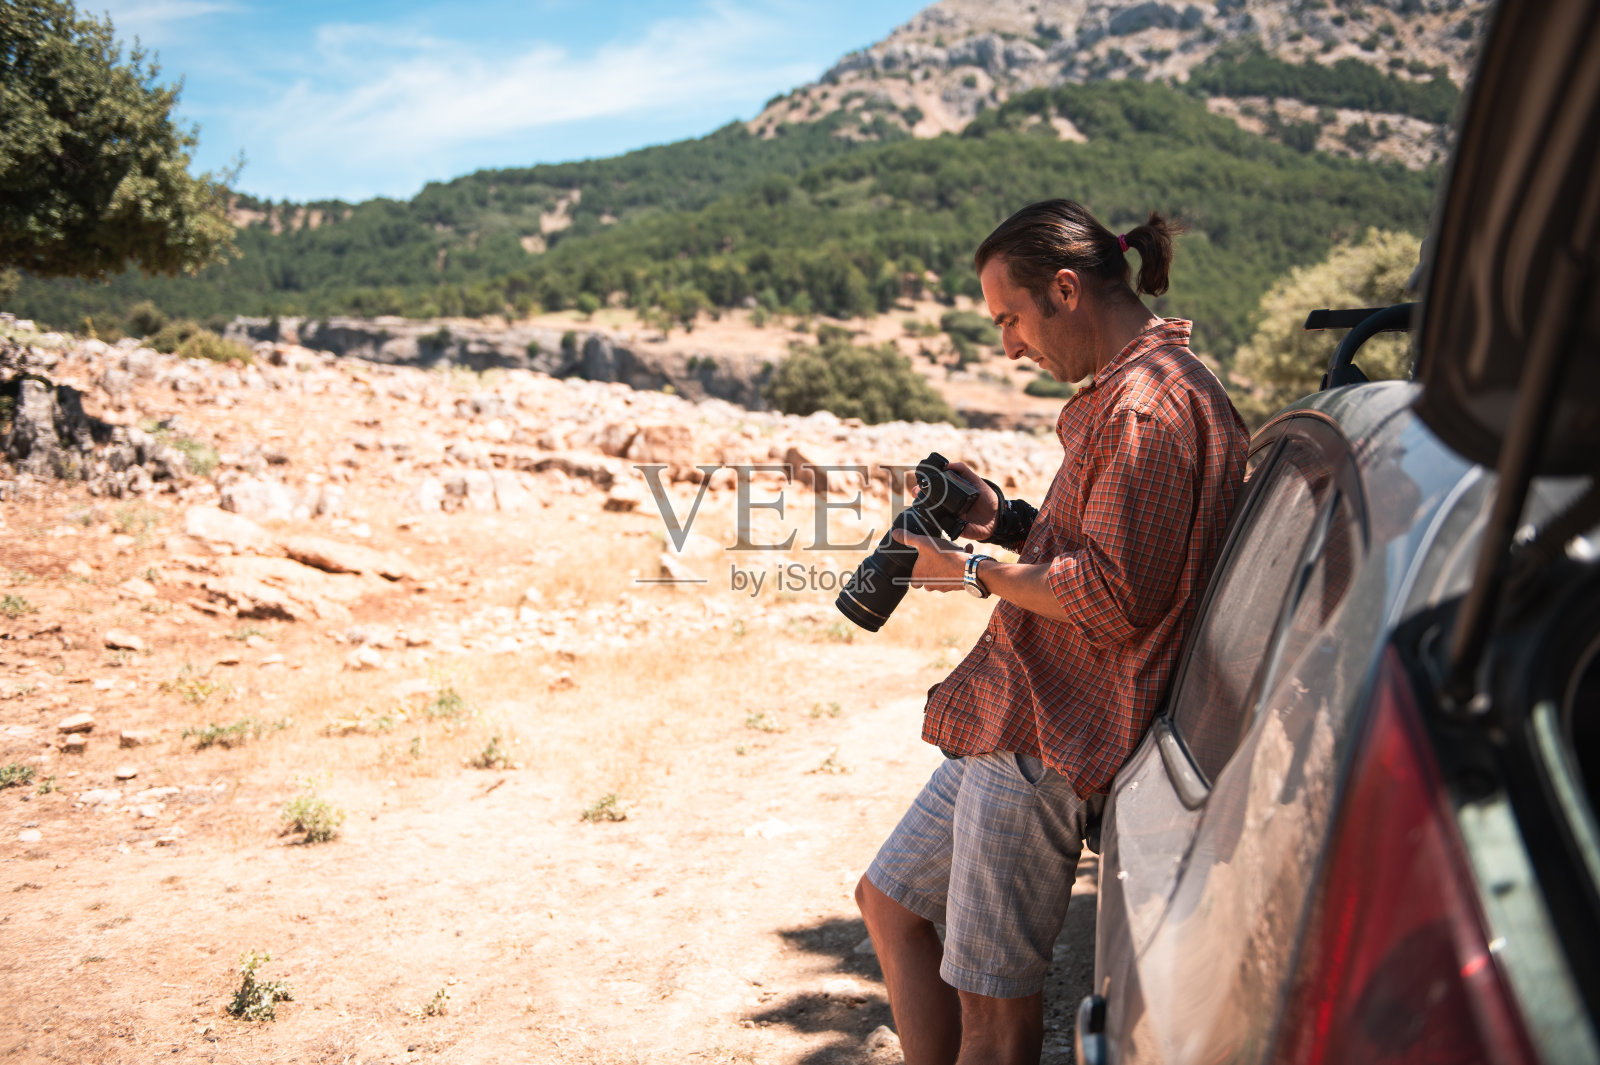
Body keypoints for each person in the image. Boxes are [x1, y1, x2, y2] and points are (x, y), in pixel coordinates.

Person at [854, 199, 1249, 1065]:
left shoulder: (1146, 408)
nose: (1009, 347)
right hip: (1018, 716)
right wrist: (1001, 521)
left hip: (1053, 734)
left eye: (1011, 319)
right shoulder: (1143, 389)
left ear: (1065, 289)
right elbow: (1113, 549)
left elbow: (1110, 594)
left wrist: (960, 569)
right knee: (890, 902)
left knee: (994, 1018)